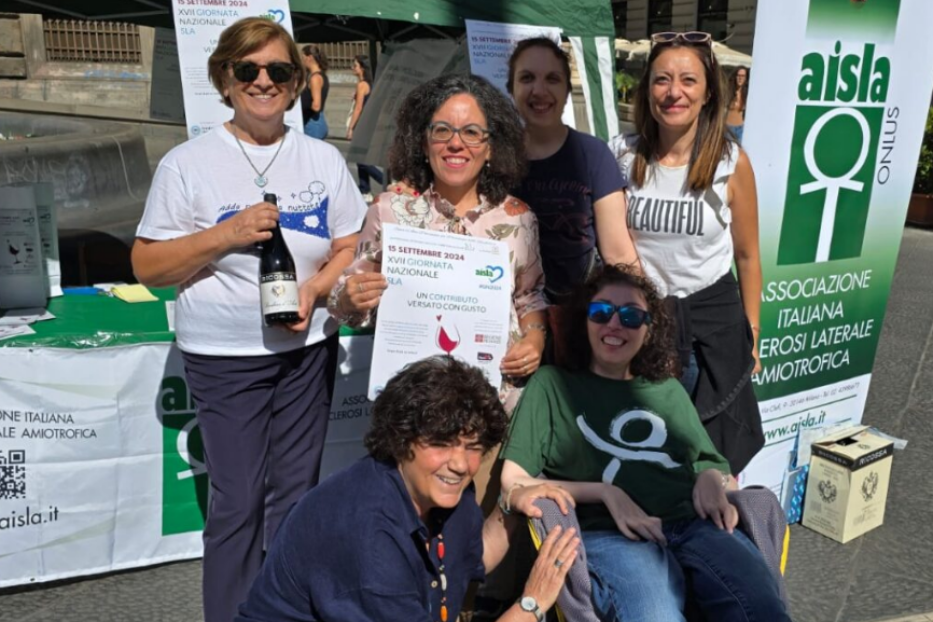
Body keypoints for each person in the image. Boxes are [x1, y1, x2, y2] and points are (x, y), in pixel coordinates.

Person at [131, 17, 367, 622]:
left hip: (307, 349)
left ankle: (283, 610)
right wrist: (226, 234)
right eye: (248, 70)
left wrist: (315, 290)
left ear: (296, 85)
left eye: (278, 72)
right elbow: (149, 266)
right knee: (237, 503)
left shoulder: (321, 158)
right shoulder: (189, 164)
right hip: (224, 356)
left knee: (295, 497)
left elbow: (350, 242)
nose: (263, 81)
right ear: (225, 80)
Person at [500, 264, 791, 622]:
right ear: (584, 319)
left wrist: (709, 478)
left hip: (692, 523)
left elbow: (712, 463)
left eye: (632, 317)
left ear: (649, 330)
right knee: (655, 615)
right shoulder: (553, 385)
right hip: (612, 533)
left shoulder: (667, 390)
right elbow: (514, 480)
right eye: (602, 312)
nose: (614, 324)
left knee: (761, 607)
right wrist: (606, 493)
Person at [235, 355, 580, 622]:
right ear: (401, 438)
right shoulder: (368, 535)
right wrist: (531, 603)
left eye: (473, 447)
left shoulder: (442, 492)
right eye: (442, 443)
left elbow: (474, 556)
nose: (460, 464)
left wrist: (510, 508)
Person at [329, 73, 548, 414]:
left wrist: (535, 338)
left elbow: (529, 296)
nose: (456, 144)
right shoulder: (389, 211)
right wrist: (350, 296)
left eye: (472, 132)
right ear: (423, 142)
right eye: (442, 130)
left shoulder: (518, 219)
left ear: (491, 147)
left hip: (496, 404)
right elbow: (343, 300)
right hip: (414, 407)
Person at [608, 31, 764, 474]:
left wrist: (754, 331)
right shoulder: (619, 154)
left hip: (710, 330)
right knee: (643, 451)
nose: (673, 92)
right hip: (640, 325)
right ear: (647, 90)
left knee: (708, 462)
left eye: (688, 80)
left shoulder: (731, 162)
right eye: (661, 80)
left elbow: (748, 256)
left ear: (708, 90)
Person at [506, 38, 640, 334]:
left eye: (552, 79)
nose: (539, 90)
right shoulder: (493, 157)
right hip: (508, 321)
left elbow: (619, 254)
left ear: (567, 90)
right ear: (510, 88)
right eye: (527, 78)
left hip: (580, 324)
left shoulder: (593, 155)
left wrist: (641, 314)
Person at [347, 54, 384, 201]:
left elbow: (358, 108)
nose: (352, 68)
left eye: (355, 65)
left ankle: (384, 181)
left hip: (362, 124)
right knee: (360, 157)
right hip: (369, 123)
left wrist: (351, 127)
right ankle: (364, 189)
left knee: (361, 159)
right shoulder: (371, 83)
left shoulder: (362, 85)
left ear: (361, 68)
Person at [300, 44, 329, 139]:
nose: (302, 61)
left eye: (303, 57)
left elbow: (316, 106)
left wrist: (302, 106)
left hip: (312, 123)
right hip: (313, 122)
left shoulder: (315, 78)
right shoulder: (315, 76)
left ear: (310, 58)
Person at [726, 66, 749, 144]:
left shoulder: (747, 94)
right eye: (738, 75)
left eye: (743, 76)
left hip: (740, 128)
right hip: (728, 127)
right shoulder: (729, 91)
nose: (740, 78)